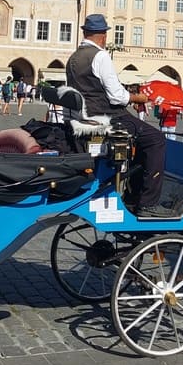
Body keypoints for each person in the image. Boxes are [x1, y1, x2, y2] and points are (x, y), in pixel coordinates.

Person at [66, 13, 167, 218]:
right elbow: (117, 96)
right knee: (156, 139)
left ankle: (133, 192)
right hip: (108, 118)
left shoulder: (74, 57)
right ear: (103, 36)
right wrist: (138, 98)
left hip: (84, 118)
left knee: (143, 138)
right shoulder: (100, 56)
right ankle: (146, 202)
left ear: (85, 33)